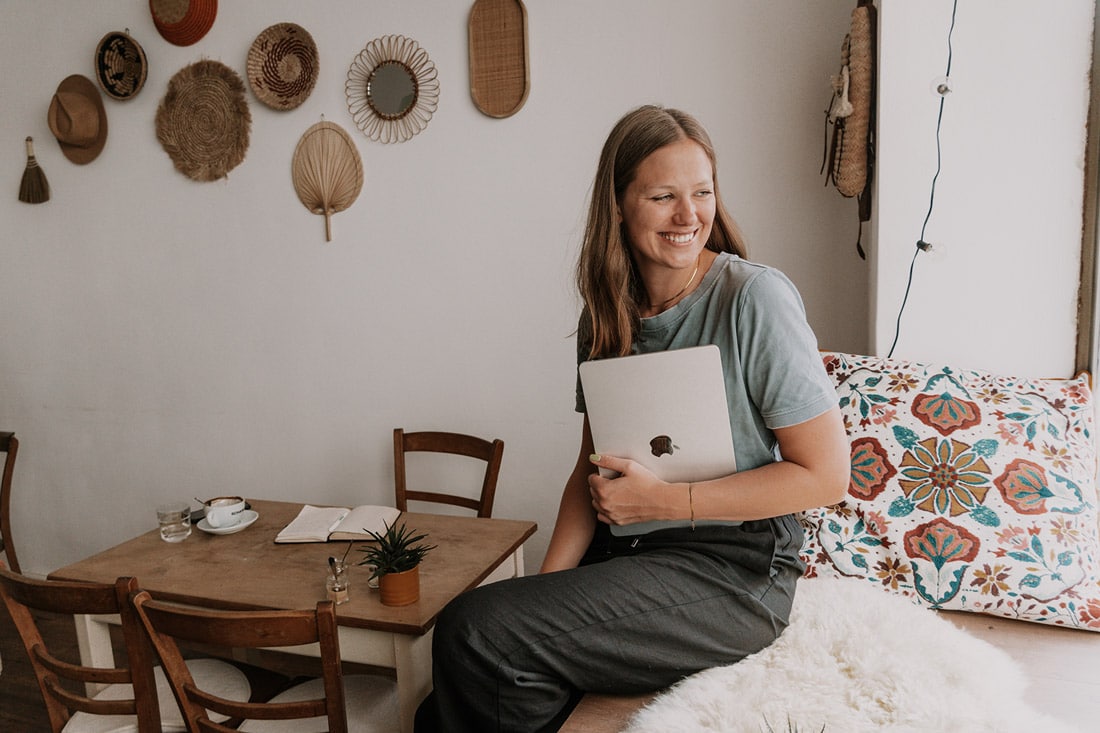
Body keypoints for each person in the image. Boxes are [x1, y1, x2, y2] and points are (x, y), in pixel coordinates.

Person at [414, 105, 850, 732]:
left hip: (738, 571)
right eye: (663, 196)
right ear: (618, 206)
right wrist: (539, 596)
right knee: (463, 678)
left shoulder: (754, 297)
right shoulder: (607, 314)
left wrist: (664, 504)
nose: (689, 215)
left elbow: (827, 477)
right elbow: (586, 471)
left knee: (473, 631)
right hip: (634, 552)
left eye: (702, 193)